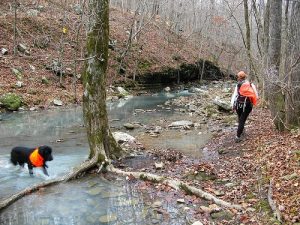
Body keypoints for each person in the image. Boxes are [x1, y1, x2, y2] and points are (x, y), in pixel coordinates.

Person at [231, 71, 258, 143]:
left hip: (238, 104)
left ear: (239, 78)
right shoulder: (251, 84)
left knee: (240, 119)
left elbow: (235, 95)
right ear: (245, 77)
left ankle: (241, 132)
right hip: (247, 105)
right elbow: (256, 95)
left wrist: (232, 104)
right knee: (242, 120)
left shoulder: (238, 85)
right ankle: (238, 136)